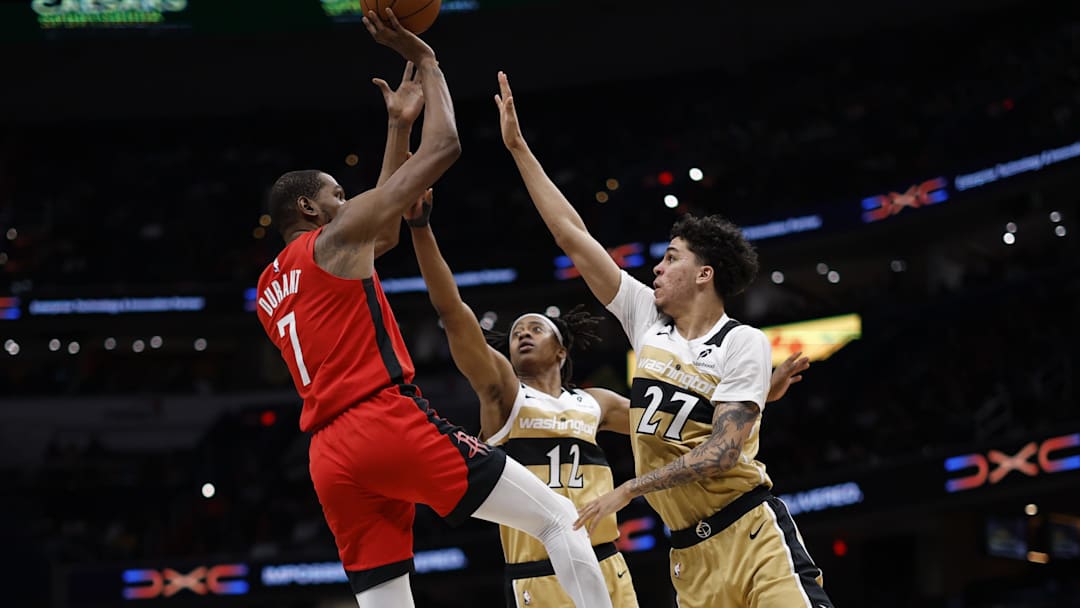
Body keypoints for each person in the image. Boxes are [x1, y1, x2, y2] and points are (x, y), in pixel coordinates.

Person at [255, 14, 612, 608]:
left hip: (328, 455)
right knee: (556, 519)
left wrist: (396, 128)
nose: (348, 202)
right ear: (308, 209)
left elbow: (384, 235)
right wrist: (427, 59)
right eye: (337, 196)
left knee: (386, 598)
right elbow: (444, 146)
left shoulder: (271, 285)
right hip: (382, 419)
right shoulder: (330, 244)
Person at [493, 71, 833, 608]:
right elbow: (571, 236)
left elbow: (723, 452)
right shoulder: (646, 318)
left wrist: (630, 488)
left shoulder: (742, 342)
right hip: (687, 557)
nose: (656, 267)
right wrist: (517, 148)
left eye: (671, 257)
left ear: (705, 274)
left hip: (750, 534)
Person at [405, 194, 812, 607]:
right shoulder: (504, 393)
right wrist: (421, 229)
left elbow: (681, 423)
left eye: (535, 328)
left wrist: (754, 393)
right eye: (515, 332)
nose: (522, 333)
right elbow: (455, 314)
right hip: (537, 575)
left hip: (609, 567)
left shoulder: (595, 404)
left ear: (562, 350)